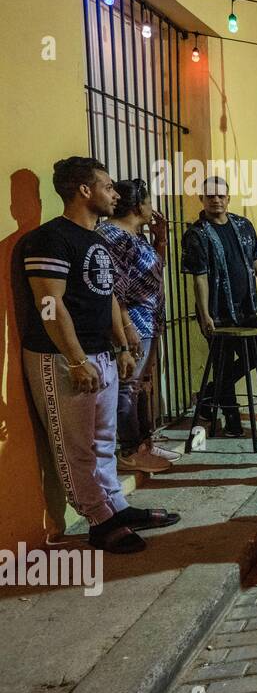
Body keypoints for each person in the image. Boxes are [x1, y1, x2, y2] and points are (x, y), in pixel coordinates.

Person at [19, 157, 180, 554]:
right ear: (84, 190)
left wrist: (122, 344)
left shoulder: (95, 239)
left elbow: (107, 294)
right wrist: (75, 359)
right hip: (61, 359)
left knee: (103, 441)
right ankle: (98, 520)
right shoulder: (49, 239)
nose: (116, 194)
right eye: (108, 187)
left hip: (101, 353)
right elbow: (49, 304)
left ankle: (116, 506)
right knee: (75, 446)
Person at [181, 175, 257, 436]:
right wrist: (205, 314)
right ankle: (232, 421)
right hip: (217, 312)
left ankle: (209, 395)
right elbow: (200, 278)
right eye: (210, 196)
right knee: (222, 362)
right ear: (202, 199)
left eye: (220, 195)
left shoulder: (243, 225)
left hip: (246, 307)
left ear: (228, 198)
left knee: (255, 356)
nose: (216, 200)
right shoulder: (196, 234)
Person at [98, 179, 172, 473]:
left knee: (142, 386)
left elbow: (150, 273)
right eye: (149, 201)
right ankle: (129, 449)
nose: (152, 208)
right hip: (133, 323)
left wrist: (160, 240)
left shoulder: (134, 235)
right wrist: (126, 327)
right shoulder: (113, 236)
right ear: (138, 204)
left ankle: (144, 443)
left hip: (148, 320)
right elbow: (114, 289)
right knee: (127, 387)